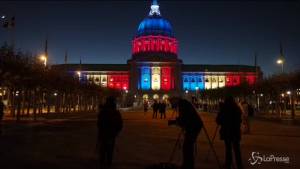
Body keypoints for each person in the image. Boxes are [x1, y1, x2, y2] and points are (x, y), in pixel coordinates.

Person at [216, 95, 243, 169]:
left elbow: (218, 120)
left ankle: (228, 164)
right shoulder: (237, 109)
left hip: (227, 132)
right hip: (235, 132)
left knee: (228, 149)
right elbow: (240, 120)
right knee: (237, 149)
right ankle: (239, 165)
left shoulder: (224, 109)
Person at [97, 96, 123, 169]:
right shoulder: (116, 112)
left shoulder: (103, 111)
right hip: (111, 133)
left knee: (102, 148)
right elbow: (120, 123)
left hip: (103, 133)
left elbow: (99, 122)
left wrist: (100, 130)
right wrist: (116, 131)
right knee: (110, 149)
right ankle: (109, 162)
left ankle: (102, 162)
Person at [177, 99, 203, 169]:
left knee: (187, 147)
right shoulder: (185, 105)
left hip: (193, 127)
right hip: (192, 127)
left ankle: (188, 164)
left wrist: (179, 121)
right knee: (187, 147)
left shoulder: (183, 106)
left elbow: (184, 119)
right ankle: (187, 164)